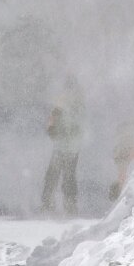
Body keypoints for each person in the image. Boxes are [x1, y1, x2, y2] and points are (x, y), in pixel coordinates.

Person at [40, 76, 84, 215]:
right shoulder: (70, 104)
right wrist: (53, 129)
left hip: (67, 148)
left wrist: (55, 130)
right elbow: (52, 126)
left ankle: (56, 205)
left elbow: (53, 127)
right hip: (66, 147)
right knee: (63, 176)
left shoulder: (73, 105)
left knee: (60, 176)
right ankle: (61, 205)